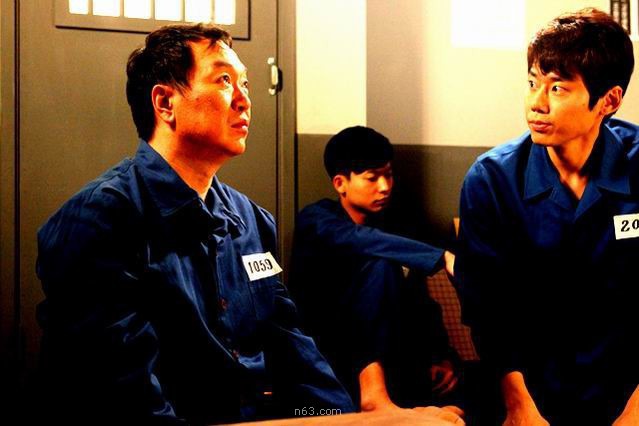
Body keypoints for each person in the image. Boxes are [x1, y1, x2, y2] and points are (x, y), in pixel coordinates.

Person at [34, 24, 355, 425]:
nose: (244, 100)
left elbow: (292, 347)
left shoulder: (252, 221)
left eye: (246, 83)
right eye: (224, 80)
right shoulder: (100, 218)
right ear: (165, 103)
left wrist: (338, 418)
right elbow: (123, 394)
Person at [456, 8, 639, 426]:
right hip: (532, 391)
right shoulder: (491, 180)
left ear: (608, 101)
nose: (536, 103)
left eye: (557, 88)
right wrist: (520, 407)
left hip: (627, 384)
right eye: (532, 83)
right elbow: (488, 313)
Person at [289, 126, 463, 419]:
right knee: (380, 263)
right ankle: (374, 397)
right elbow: (358, 240)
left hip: (393, 357)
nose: (384, 186)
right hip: (330, 355)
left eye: (389, 175)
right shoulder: (316, 219)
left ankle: (415, 402)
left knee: (460, 406)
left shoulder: (391, 229)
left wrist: (441, 355)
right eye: (372, 178)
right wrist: (441, 256)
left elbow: (420, 302)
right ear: (340, 183)